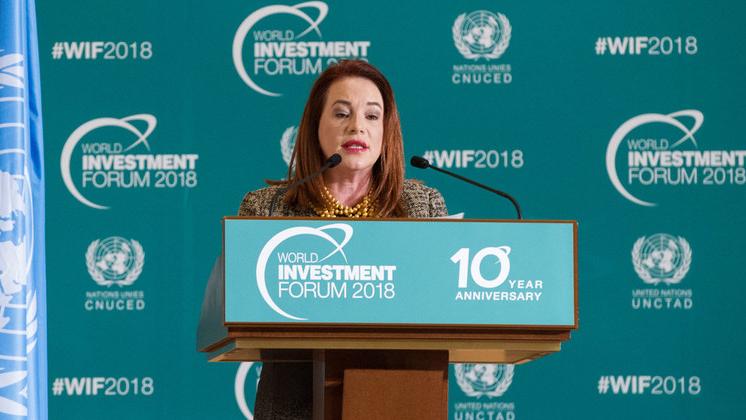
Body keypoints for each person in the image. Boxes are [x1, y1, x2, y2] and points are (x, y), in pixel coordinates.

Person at [238, 60, 447, 419]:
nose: (357, 127)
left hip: (402, 397)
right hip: (293, 403)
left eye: (372, 116)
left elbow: (444, 305)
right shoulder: (267, 209)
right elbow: (244, 309)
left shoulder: (423, 207)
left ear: (386, 130)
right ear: (315, 126)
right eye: (341, 113)